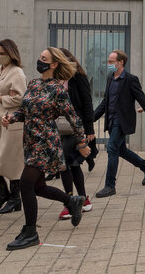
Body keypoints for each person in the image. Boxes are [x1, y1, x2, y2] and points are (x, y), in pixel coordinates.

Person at [1, 47, 88, 250]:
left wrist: (82, 143)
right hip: (30, 142)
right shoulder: (34, 83)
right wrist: (10, 117)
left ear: (54, 64)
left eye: (43, 58)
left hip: (46, 144)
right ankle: (72, 201)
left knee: (25, 184)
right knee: (38, 187)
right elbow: (23, 110)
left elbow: (73, 117)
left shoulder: (58, 90)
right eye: (40, 57)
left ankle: (30, 231)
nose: (39, 61)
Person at [94, 50, 145, 198]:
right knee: (121, 150)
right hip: (111, 120)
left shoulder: (131, 79)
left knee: (111, 148)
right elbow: (105, 101)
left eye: (111, 62)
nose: (109, 64)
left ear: (121, 62)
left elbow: (143, 100)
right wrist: (90, 119)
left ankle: (110, 185)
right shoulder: (110, 78)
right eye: (108, 61)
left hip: (122, 120)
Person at [56, 48, 96, 220]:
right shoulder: (54, 79)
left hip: (75, 126)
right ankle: (83, 199)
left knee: (63, 162)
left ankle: (70, 202)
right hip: (58, 126)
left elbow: (87, 103)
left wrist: (89, 129)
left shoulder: (78, 77)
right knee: (72, 163)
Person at [0, 39, 26, 214]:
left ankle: (14, 197)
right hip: (1, 122)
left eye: (2, 53)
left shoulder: (17, 73)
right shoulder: (1, 71)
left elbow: (20, 98)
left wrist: (1, 98)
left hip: (12, 122)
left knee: (12, 162)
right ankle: (4, 194)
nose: (0, 57)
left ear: (11, 54)